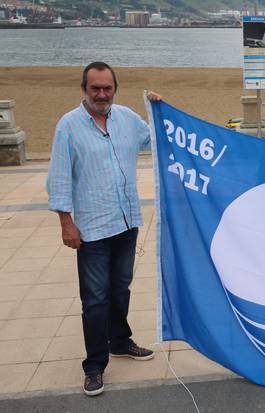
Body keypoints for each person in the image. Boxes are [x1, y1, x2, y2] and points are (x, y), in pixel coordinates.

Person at [46, 61, 162, 397]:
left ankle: (121, 341)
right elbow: (59, 178)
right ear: (84, 89)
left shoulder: (126, 117)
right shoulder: (69, 126)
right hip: (92, 229)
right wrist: (66, 223)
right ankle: (94, 365)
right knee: (95, 299)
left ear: (115, 89)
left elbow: (156, 140)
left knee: (121, 288)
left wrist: (159, 110)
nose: (101, 94)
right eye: (95, 88)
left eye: (107, 88)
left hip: (126, 222)